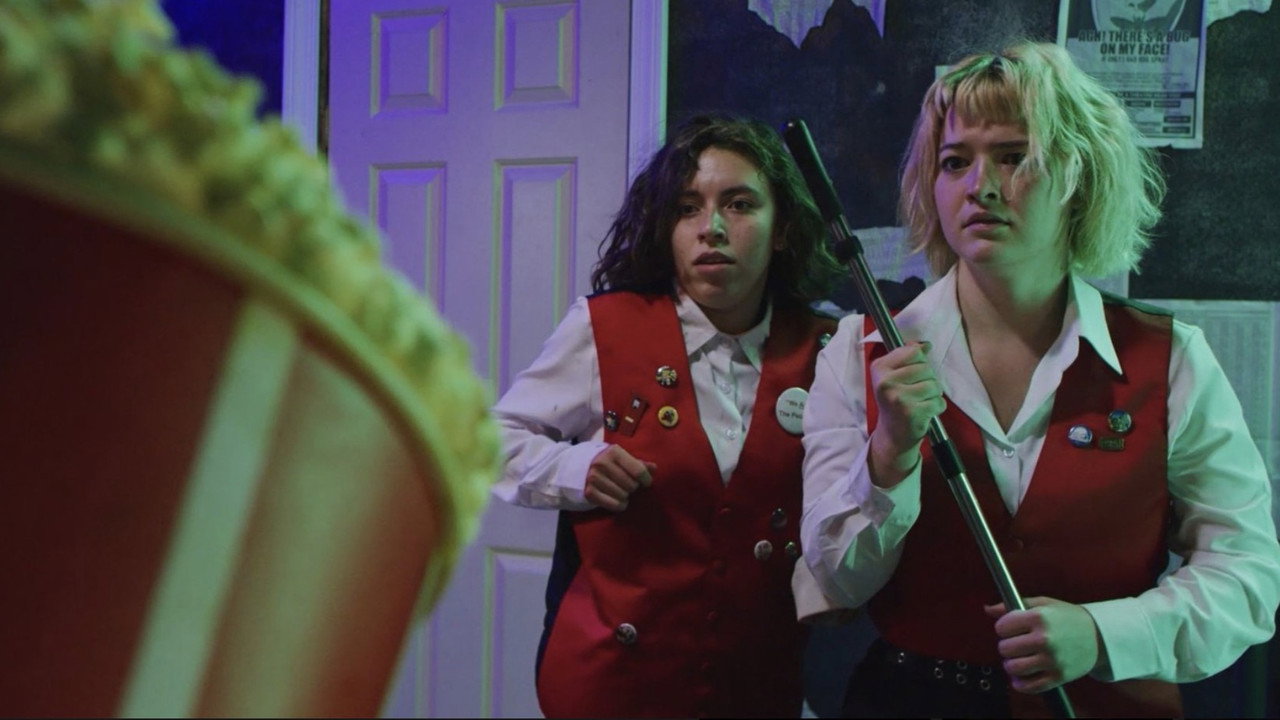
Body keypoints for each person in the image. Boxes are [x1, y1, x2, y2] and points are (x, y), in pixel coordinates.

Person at [798, 41, 1280, 718]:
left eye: (1013, 156)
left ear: (1078, 176)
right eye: (955, 161)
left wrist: (1104, 634)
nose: (981, 186)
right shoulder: (858, 353)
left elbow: (1247, 578)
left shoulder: (1169, 357)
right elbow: (838, 582)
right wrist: (889, 454)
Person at [493, 115, 843, 718]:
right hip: (611, 686)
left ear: (782, 228)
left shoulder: (828, 350)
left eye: (738, 205)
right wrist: (574, 469)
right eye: (687, 208)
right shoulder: (604, 327)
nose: (711, 228)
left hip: (756, 689)